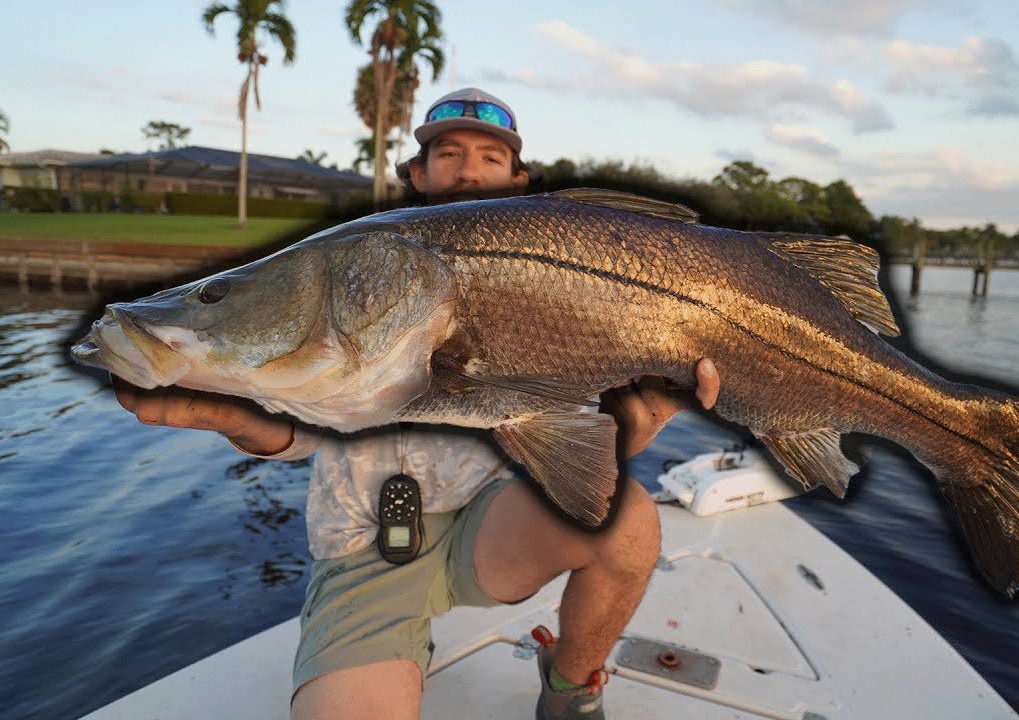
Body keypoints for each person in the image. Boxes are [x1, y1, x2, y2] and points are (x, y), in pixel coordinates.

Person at [111, 87, 720, 720]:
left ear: (520, 180)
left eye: (489, 156)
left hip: (492, 525)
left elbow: (584, 441)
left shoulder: (578, 282)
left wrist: (638, 424)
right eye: (448, 152)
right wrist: (229, 413)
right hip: (364, 543)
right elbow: (295, 430)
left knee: (627, 522)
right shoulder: (356, 265)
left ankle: (570, 689)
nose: (467, 169)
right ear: (417, 174)